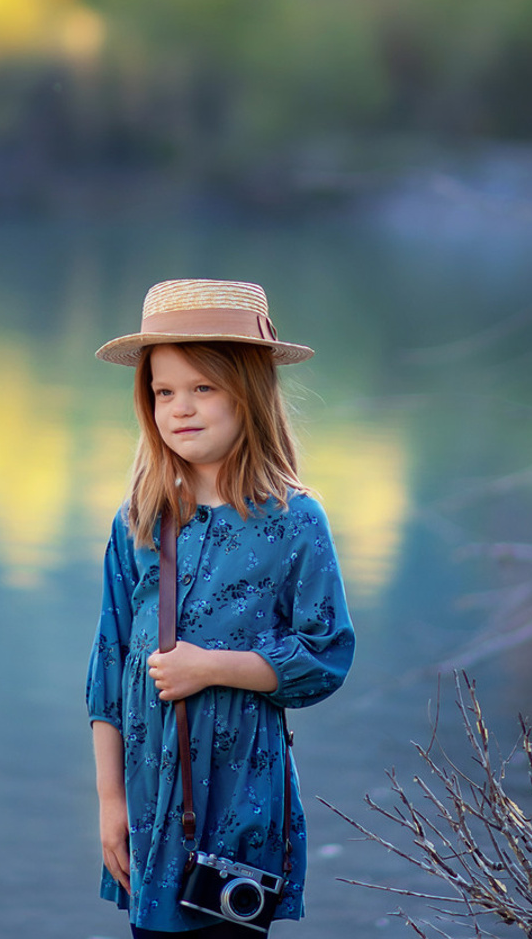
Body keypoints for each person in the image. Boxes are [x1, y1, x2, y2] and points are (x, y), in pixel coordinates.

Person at [86, 279, 354, 934]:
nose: (180, 408)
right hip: (152, 806)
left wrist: (213, 668)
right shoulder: (140, 522)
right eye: (163, 391)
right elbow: (108, 663)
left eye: (203, 387)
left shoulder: (294, 521)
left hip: (243, 804)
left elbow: (325, 656)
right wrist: (110, 800)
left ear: (249, 392)